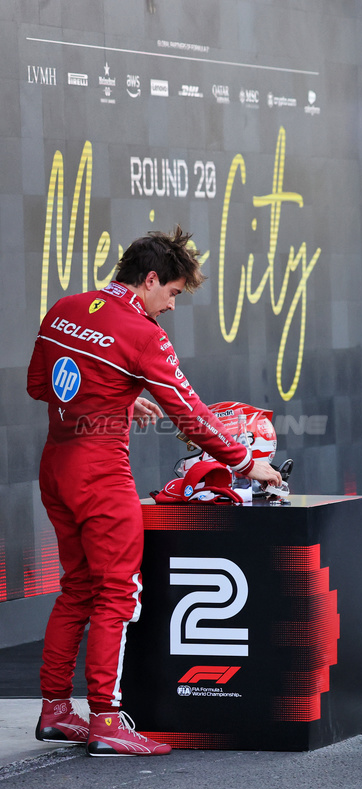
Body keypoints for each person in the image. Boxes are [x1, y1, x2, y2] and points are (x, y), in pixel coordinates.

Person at [27, 226, 282, 757]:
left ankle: (55, 710)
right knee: (119, 592)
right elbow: (191, 417)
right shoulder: (143, 334)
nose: (170, 307)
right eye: (172, 294)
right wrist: (244, 462)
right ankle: (105, 718)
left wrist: (116, 400)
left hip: (57, 465)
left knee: (77, 587)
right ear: (149, 280)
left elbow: (39, 384)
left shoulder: (68, 306)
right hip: (100, 475)